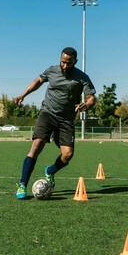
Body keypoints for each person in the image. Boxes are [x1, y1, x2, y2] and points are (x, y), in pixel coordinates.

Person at [14, 47, 96, 199]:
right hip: (48, 113)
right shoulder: (51, 70)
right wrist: (23, 94)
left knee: (67, 155)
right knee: (36, 146)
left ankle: (50, 171)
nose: (65, 66)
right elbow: (39, 80)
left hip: (66, 119)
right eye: (63, 62)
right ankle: (22, 185)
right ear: (60, 59)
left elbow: (91, 97)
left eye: (69, 63)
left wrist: (87, 104)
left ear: (75, 62)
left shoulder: (82, 77)